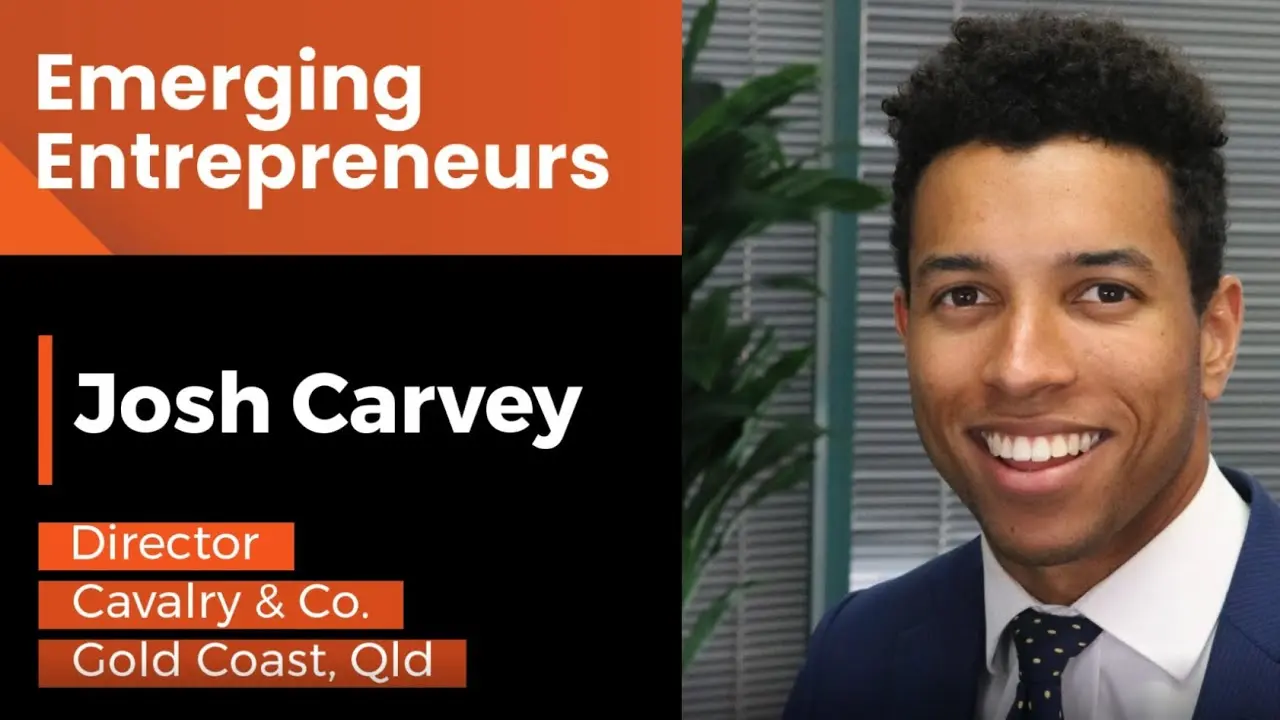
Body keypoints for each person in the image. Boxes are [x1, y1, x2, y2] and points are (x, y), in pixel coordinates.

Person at [782, 10, 1279, 720]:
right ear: (908, 330)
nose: (1020, 369)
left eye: (1104, 293)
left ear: (1215, 337)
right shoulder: (855, 652)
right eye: (964, 296)